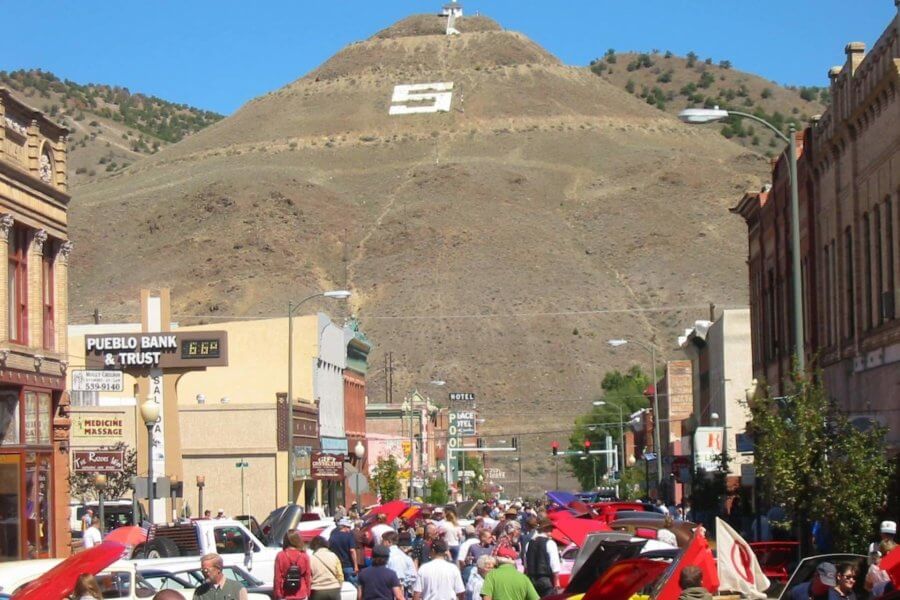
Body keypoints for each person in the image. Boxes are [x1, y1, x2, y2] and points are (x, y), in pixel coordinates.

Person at [523, 518, 560, 597]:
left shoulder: (529, 544)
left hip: (531, 579)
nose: (552, 532)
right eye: (550, 529)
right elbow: (555, 564)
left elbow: (526, 565)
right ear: (546, 529)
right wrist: (557, 581)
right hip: (546, 579)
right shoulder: (550, 543)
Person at [274, 531, 312, 600]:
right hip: (301, 592)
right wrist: (308, 592)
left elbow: (277, 577)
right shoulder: (304, 556)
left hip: (285, 593)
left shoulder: (280, 555)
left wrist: (277, 593)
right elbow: (308, 576)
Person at [309, 535, 344, 600]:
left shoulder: (311, 558)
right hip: (334, 589)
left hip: (317, 590)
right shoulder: (333, 556)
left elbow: (309, 577)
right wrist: (339, 586)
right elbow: (340, 575)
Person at [383, 531, 417, 596]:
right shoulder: (405, 556)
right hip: (402, 590)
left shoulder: (389, 556)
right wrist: (405, 583)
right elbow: (413, 575)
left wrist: (401, 584)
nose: (381, 544)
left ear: (389, 542)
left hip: (390, 591)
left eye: (383, 541)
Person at [330, 518, 360, 584]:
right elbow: (352, 551)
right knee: (356, 586)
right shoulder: (349, 536)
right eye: (349, 527)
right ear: (344, 527)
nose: (350, 529)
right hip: (348, 565)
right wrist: (356, 566)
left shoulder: (332, 537)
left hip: (336, 566)